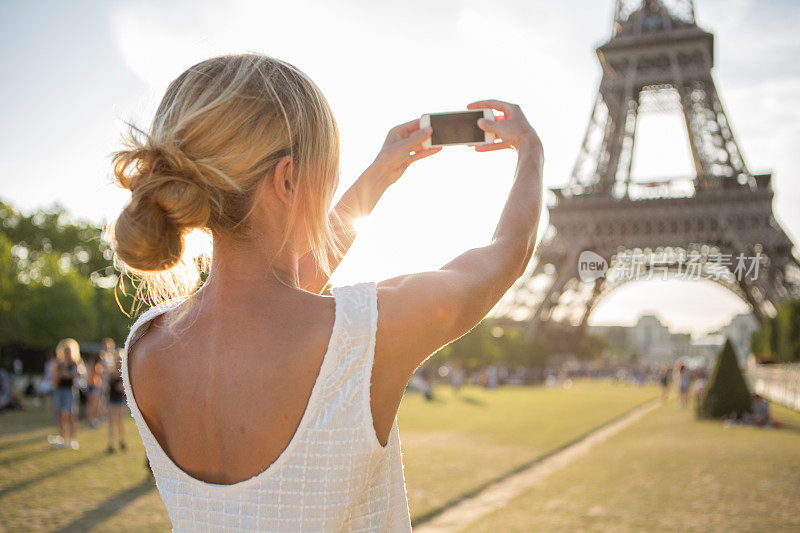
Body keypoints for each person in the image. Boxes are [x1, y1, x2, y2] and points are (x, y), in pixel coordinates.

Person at [114, 54, 542, 531]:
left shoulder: (145, 349)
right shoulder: (368, 334)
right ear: (288, 178)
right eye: (330, 170)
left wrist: (380, 173)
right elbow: (509, 251)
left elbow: (285, 292)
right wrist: (530, 151)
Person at [49, 338, 85, 449]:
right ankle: (62, 437)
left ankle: (72, 439)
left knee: (71, 415)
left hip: (70, 390)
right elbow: (53, 377)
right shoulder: (58, 363)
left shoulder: (75, 362)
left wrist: (67, 374)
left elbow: (79, 374)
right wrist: (60, 374)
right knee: (61, 415)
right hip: (59, 390)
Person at [106, 350, 127, 453]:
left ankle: (121, 441)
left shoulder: (124, 374)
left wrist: (122, 387)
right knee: (111, 422)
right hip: (111, 399)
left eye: (120, 360)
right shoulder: (110, 373)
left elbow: (125, 388)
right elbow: (106, 385)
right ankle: (111, 444)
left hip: (120, 400)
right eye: (117, 360)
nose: (118, 362)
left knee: (119, 422)